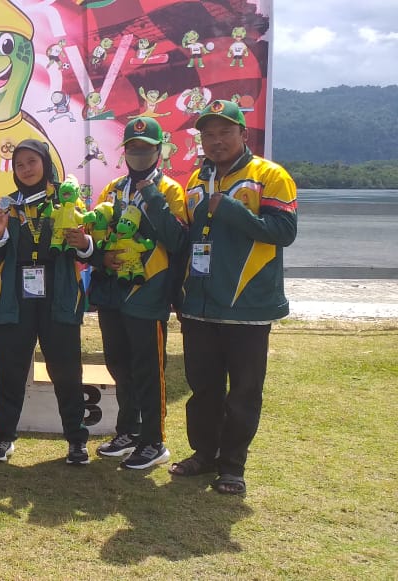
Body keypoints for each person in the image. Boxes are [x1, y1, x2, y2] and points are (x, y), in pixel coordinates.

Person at [168, 100, 297, 495]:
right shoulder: (195, 180)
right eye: (208, 134)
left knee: (243, 391)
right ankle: (204, 455)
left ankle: (232, 466)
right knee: (203, 389)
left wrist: (230, 211)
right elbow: (188, 239)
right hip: (199, 306)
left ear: (244, 134)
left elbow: (284, 232)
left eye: (225, 132)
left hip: (248, 307)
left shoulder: (270, 176)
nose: (216, 140)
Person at [87, 117, 187, 470]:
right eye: (133, 147)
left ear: (159, 151)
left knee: (148, 369)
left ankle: (153, 441)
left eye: (146, 148)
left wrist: (153, 198)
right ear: (124, 151)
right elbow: (95, 236)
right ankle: (128, 431)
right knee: (118, 365)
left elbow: (178, 241)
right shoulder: (113, 189)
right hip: (111, 292)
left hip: (148, 292)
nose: (139, 154)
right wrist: (101, 257)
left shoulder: (171, 190)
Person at [0, 139, 91, 464]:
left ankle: (76, 441)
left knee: (67, 371)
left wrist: (84, 242)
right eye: (19, 164)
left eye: (32, 161)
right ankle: (3, 438)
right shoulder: (7, 205)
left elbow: (85, 251)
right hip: (14, 298)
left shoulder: (66, 200)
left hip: (59, 296)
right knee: (11, 371)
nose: (26, 169)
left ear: (45, 163)